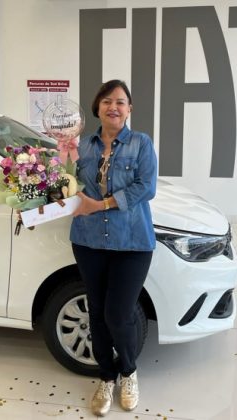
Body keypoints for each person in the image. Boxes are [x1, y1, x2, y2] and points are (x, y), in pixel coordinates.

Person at [71, 79, 157, 416]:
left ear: (129, 109)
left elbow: (146, 187)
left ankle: (129, 371)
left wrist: (101, 204)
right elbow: (65, 185)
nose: (113, 107)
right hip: (89, 241)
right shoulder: (81, 146)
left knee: (118, 314)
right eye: (107, 101)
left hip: (132, 242)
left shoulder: (141, 143)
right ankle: (106, 377)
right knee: (96, 311)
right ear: (97, 108)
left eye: (120, 102)